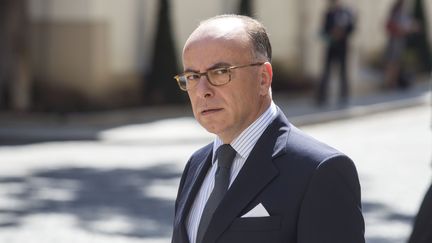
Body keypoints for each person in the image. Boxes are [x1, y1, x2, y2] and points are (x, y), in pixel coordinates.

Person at [171, 14, 365, 243]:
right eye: (193, 76)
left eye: (220, 72)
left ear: (263, 78)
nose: (203, 90)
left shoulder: (320, 171)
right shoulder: (196, 164)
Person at [317, 0, 355, 106]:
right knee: (326, 72)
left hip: (342, 46)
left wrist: (343, 33)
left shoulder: (346, 13)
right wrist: (332, 33)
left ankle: (344, 95)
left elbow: (352, 27)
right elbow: (324, 29)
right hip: (331, 46)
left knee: (343, 72)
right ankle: (322, 97)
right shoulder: (328, 14)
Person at [384, 0, 419, 89]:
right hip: (395, 40)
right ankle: (389, 83)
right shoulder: (396, 14)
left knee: (396, 62)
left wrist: (412, 27)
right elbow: (394, 26)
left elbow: (408, 26)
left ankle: (393, 82)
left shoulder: (403, 14)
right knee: (392, 62)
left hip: (400, 40)